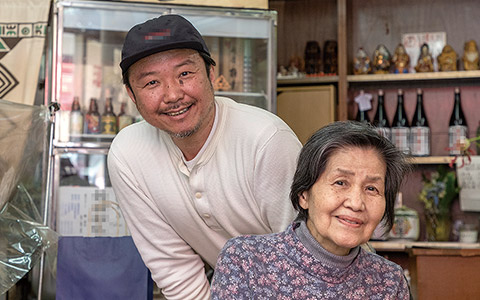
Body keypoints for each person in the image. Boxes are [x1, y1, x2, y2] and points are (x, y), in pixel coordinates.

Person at [107, 14, 302, 299]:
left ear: (211, 74)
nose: (173, 95)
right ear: (132, 95)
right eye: (151, 83)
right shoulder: (128, 156)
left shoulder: (265, 140)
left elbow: (309, 259)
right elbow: (175, 271)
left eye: (185, 74)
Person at [211, 121, 412, 299]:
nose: (356, 203)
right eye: (341, 182)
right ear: (304, 194)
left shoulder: (389, 282)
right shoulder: (246, 260)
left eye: (371, 189)